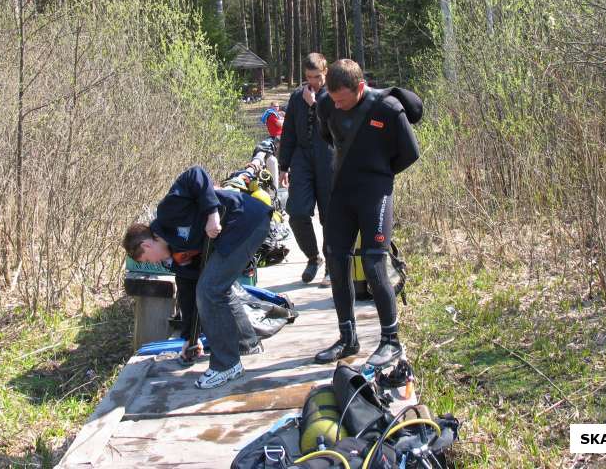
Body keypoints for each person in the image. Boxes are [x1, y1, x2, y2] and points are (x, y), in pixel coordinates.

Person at [122, 165, 272, 388]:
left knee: (211, 289)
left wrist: (212, 214)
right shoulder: (177, 258)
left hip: (247, 219)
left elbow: (195, 174)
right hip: (240, 232)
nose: (151, 263)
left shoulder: (167, 214)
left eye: (145, 259)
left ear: (146, 244)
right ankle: (246, 344)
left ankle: (226, 364)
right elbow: (189, 294)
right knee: (215, 287)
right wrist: (189, 339)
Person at [314, 59, 422, 367]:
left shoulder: (387, 109)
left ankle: (391, 341)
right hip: (342, 193)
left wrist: (379, 176)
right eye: (334, 100)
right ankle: (348, 338)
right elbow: (328, 136)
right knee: (336, 258)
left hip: (375, 193)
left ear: (360, 88)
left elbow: (409, 153)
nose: (339, 105)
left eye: (344, 99)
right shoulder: (326, 105)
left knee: (374, 263)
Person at [278, 53, 334, 286]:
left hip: (328, 158)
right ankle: (313, 257)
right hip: (302, 158)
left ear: (326, 72)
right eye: (309, 77)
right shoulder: (296, 97)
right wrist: (283, 167)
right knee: (297, 211)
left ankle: (333, 266)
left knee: (331, 216)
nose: (314, 82)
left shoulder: (333, 95)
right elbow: (288, 132)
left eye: (318, 77)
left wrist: (316, 104)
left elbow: (338, 125)